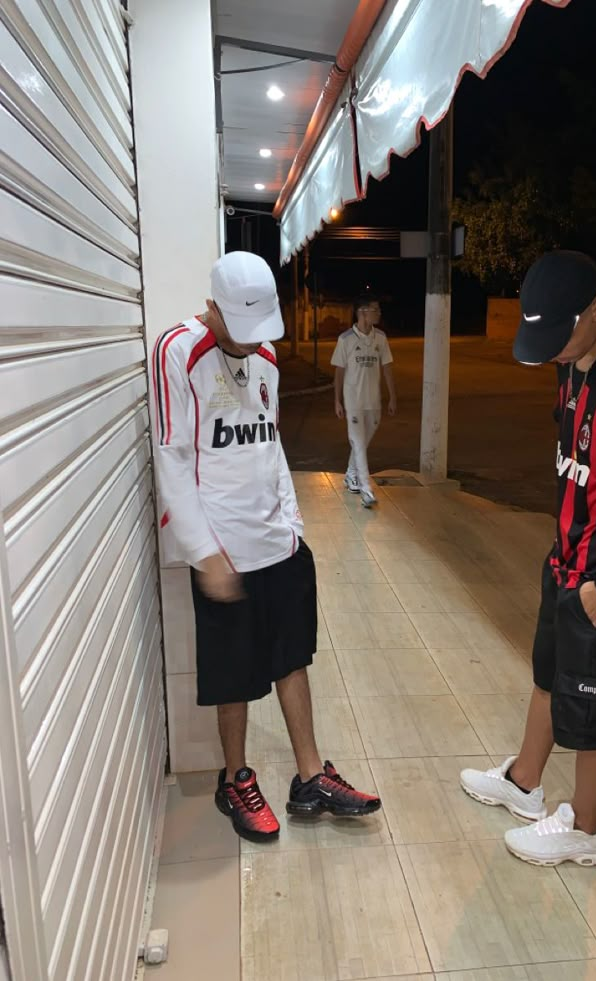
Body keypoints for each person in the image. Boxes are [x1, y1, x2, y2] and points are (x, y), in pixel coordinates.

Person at [460, 251, 596, 867]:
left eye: (560, 336)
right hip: (566, 555)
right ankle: (524, 783)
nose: (553, 351)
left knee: (594, 701)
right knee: (548, 674)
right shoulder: (570, 361)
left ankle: (587, 830)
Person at [152, 251, 381, 842]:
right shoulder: (178, 352)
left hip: (277, 542)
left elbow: (271, 445)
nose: (256, 345)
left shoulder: (267, 357)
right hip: (222, 552)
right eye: (243, 332)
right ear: (213, 308)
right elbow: (173, 460)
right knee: (235, 675)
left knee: (291, 657)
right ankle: (236, 778)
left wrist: (294, 524)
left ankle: (310, 778)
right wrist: (204, 553)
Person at [331, 295, 397, 508]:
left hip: (373, 401)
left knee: (363, 441)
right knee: (358, 443)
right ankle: (366, 489)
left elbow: (387, 367)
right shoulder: (346, 339)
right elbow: (339, 372)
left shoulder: (380, 338)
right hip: (354, 402)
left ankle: (351, 474)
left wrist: (393, 397)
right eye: (375, 309)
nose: (379, 313)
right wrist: (337, 401)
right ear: (362, 312)